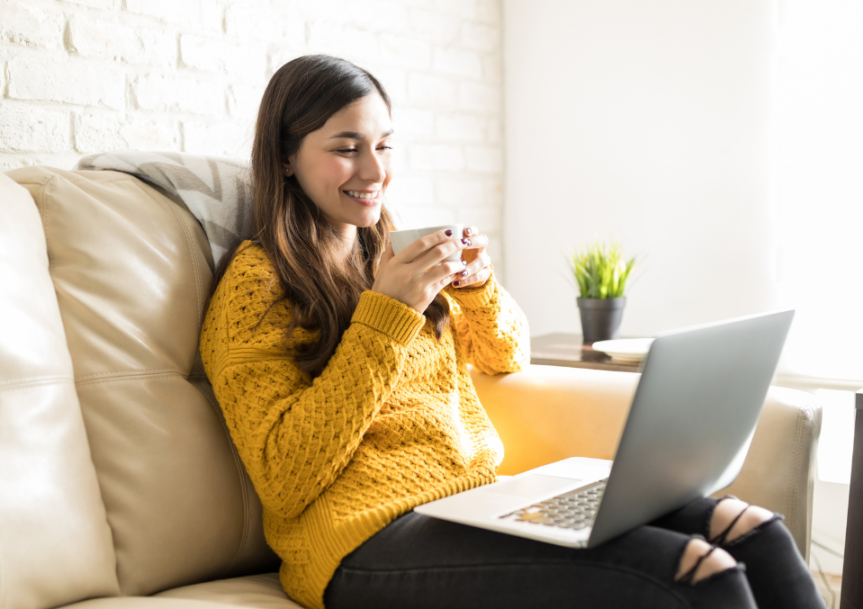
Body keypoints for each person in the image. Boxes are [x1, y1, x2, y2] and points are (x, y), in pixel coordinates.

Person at [200, 55, 825, 609]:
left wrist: (476, 287)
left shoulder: (392, 255)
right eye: (346, 147)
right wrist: (387, 317)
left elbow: (506, 358)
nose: (374, 170)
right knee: (698, 573)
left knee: (753, 532)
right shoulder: (260, 281)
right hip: (360, 540)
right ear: (285, 157)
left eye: (384, 145)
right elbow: (283, 478)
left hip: (474, 500)